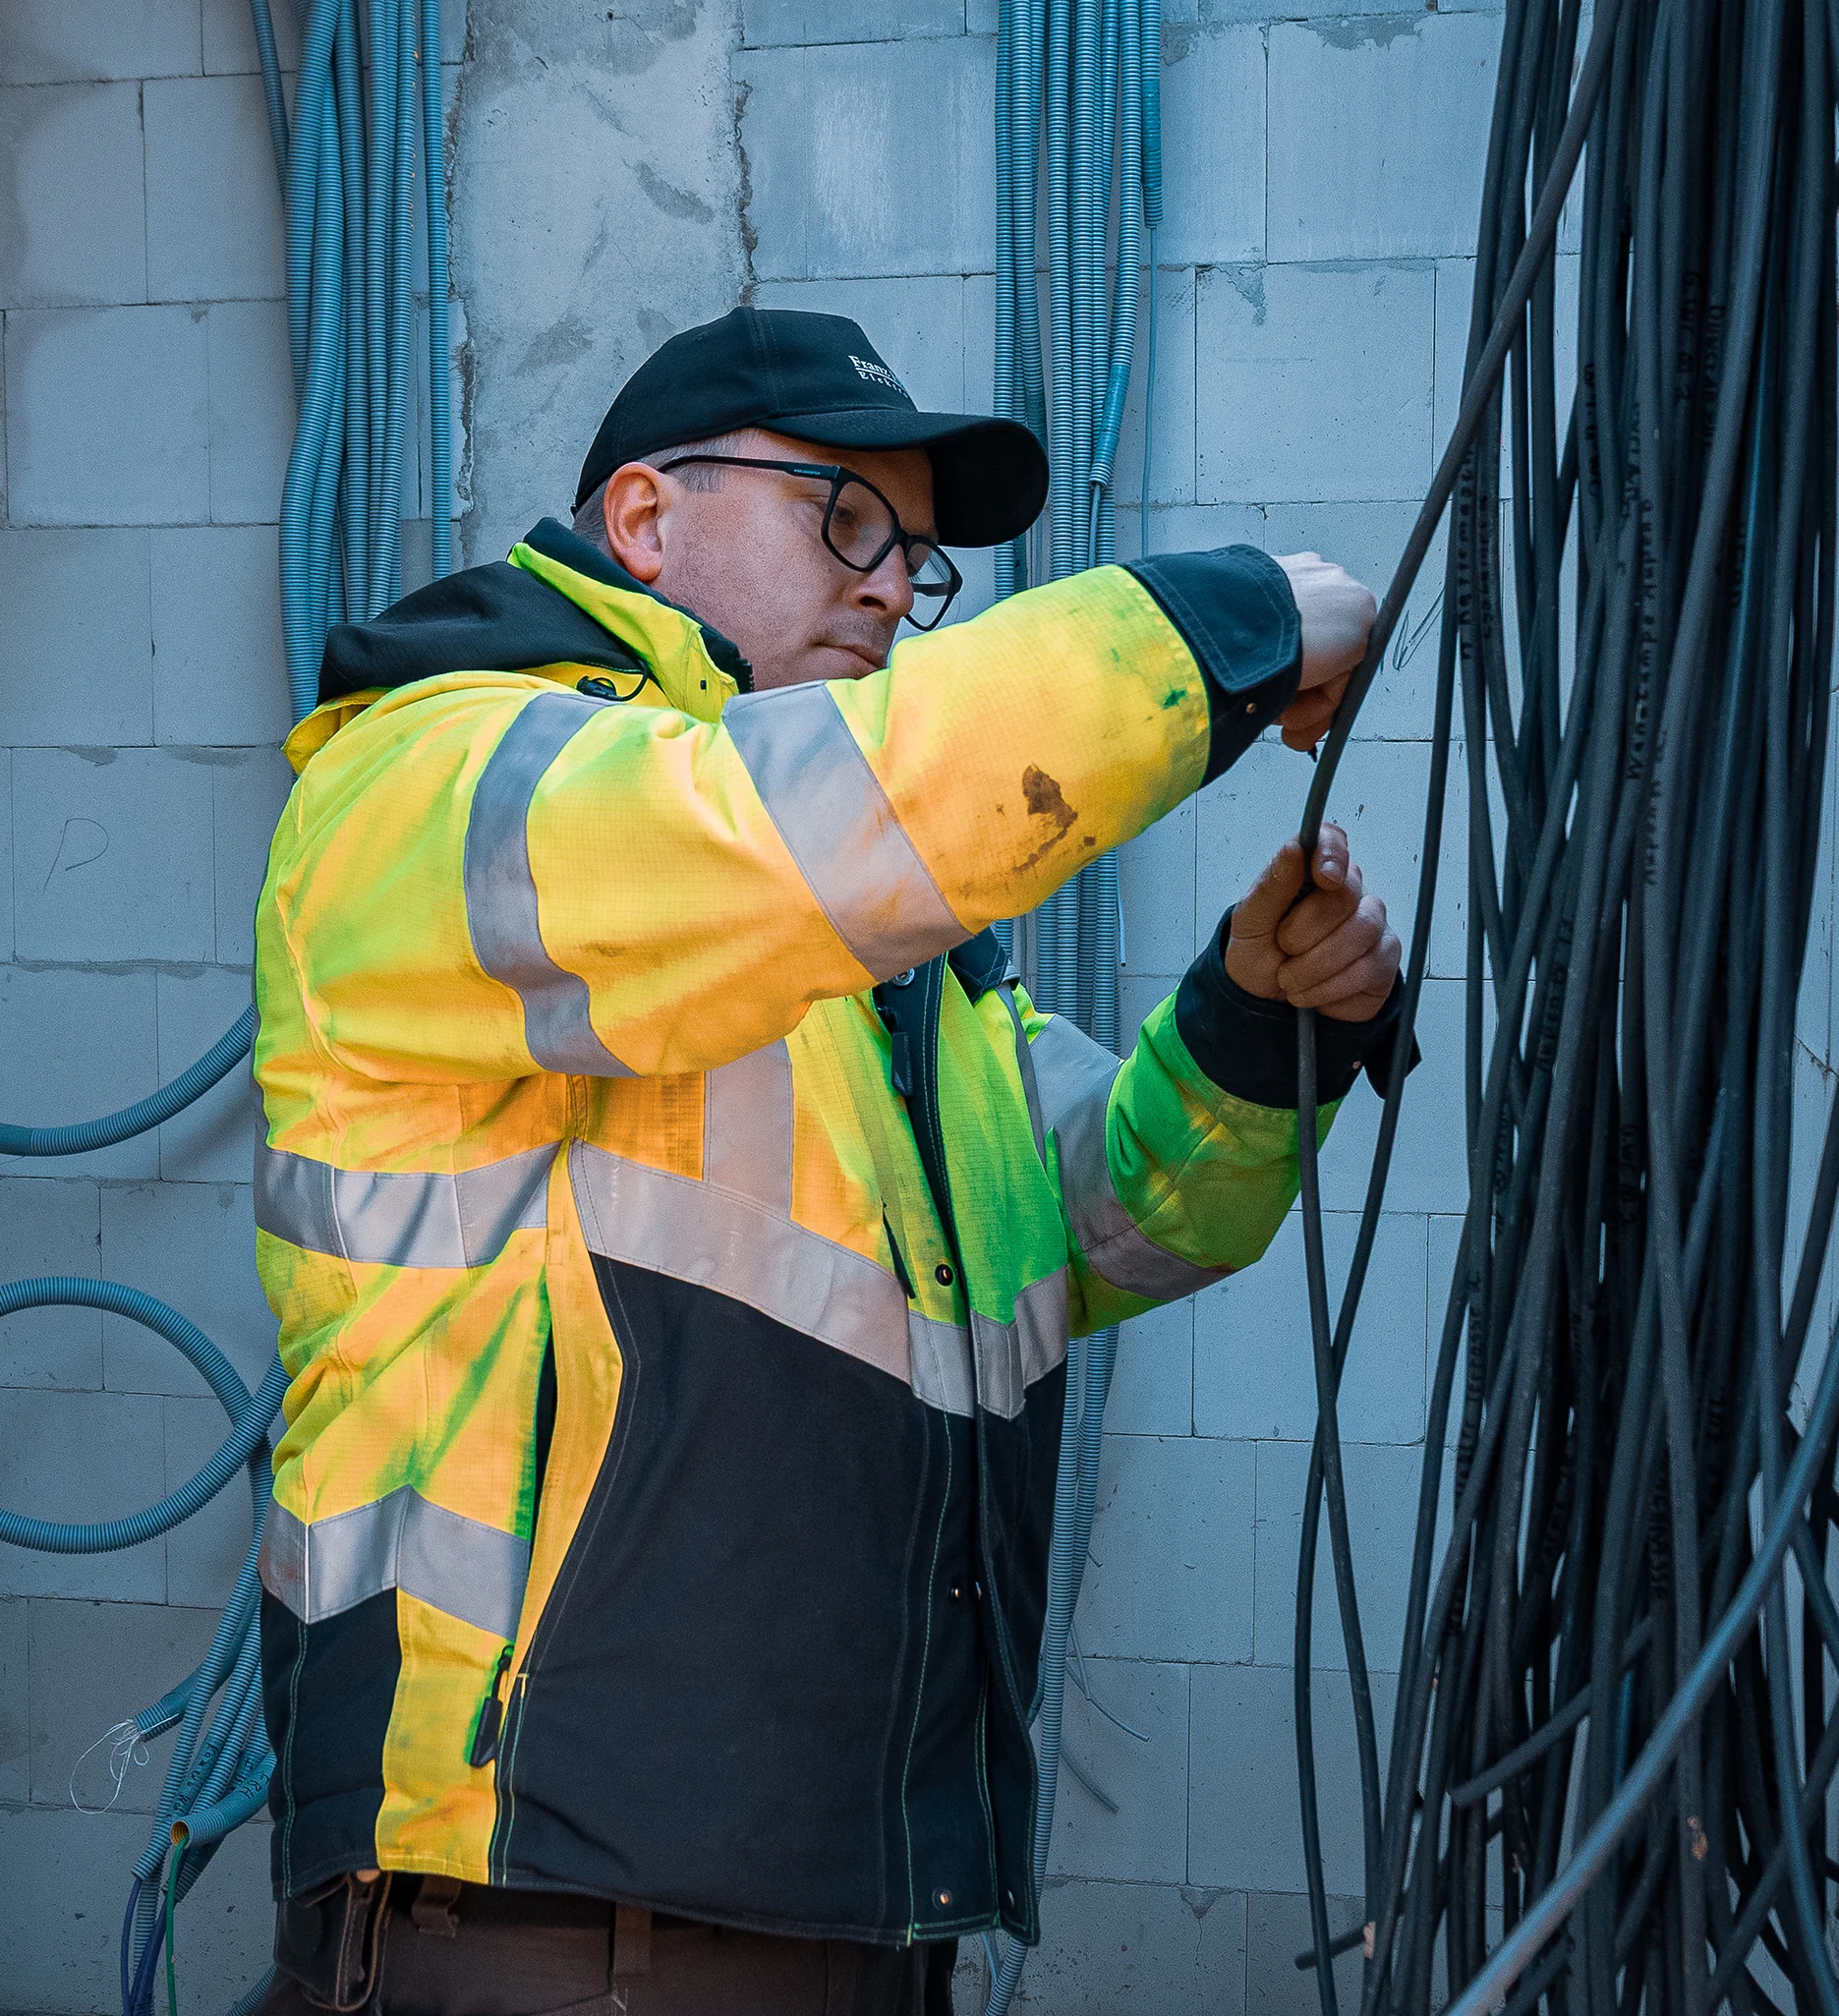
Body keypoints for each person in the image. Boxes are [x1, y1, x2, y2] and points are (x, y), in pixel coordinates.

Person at [246, 307, 1406, 2013]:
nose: (887, 583)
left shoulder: (869, 963)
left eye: (915, 560)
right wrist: (1235, 622)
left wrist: (1246, 1027)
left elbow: (1096, 1217)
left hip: (852, 1904)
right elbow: (771, 834)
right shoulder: (439, 778)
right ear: (645, 520)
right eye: (841, 518)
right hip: (543, 1916)